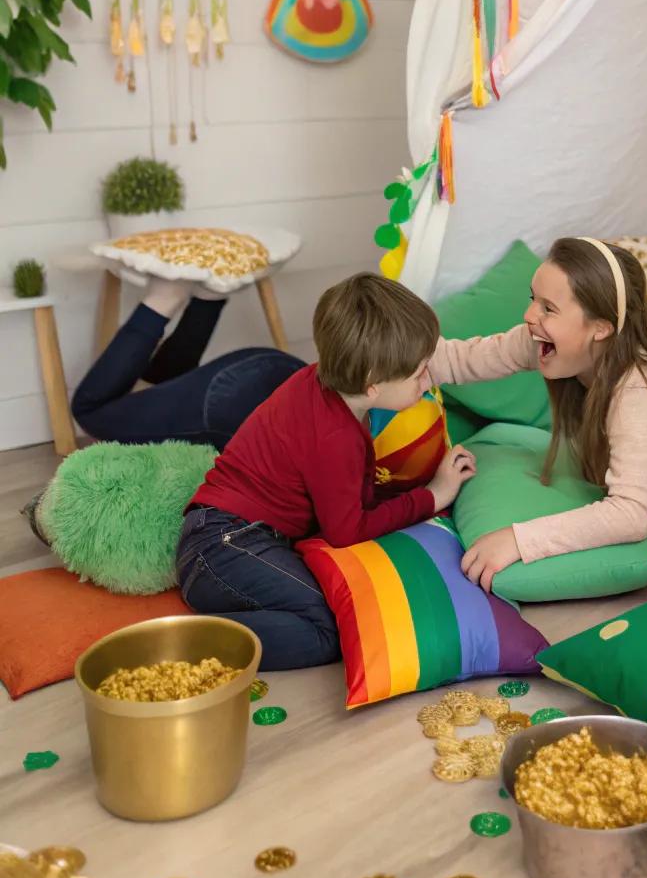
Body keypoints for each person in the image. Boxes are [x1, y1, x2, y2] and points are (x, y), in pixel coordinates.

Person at [176, 273, 476, 670]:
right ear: (373, 385)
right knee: (331, 631)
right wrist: (434, 496)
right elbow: (347, 531)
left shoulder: (326, 384)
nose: (428, 378)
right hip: (221, 550)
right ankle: (190, 645)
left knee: (342, 605)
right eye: (420, 372)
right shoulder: (336, 436)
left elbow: (352, 494)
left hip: (227, 540)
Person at [428, 237, 647, 593]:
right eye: (534, 300)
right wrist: (395, 358)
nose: (530, 316)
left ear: (601, 328)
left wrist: (518, 540)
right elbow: (463, 359)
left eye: (549, 308)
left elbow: (631, 514)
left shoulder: (637, 392)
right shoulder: (544, 342)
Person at [70, 278, 305, 449]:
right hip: (238, 404)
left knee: (159, 387)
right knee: (88, 410)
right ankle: (163, 301)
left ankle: (207, 299)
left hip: (287, 372)